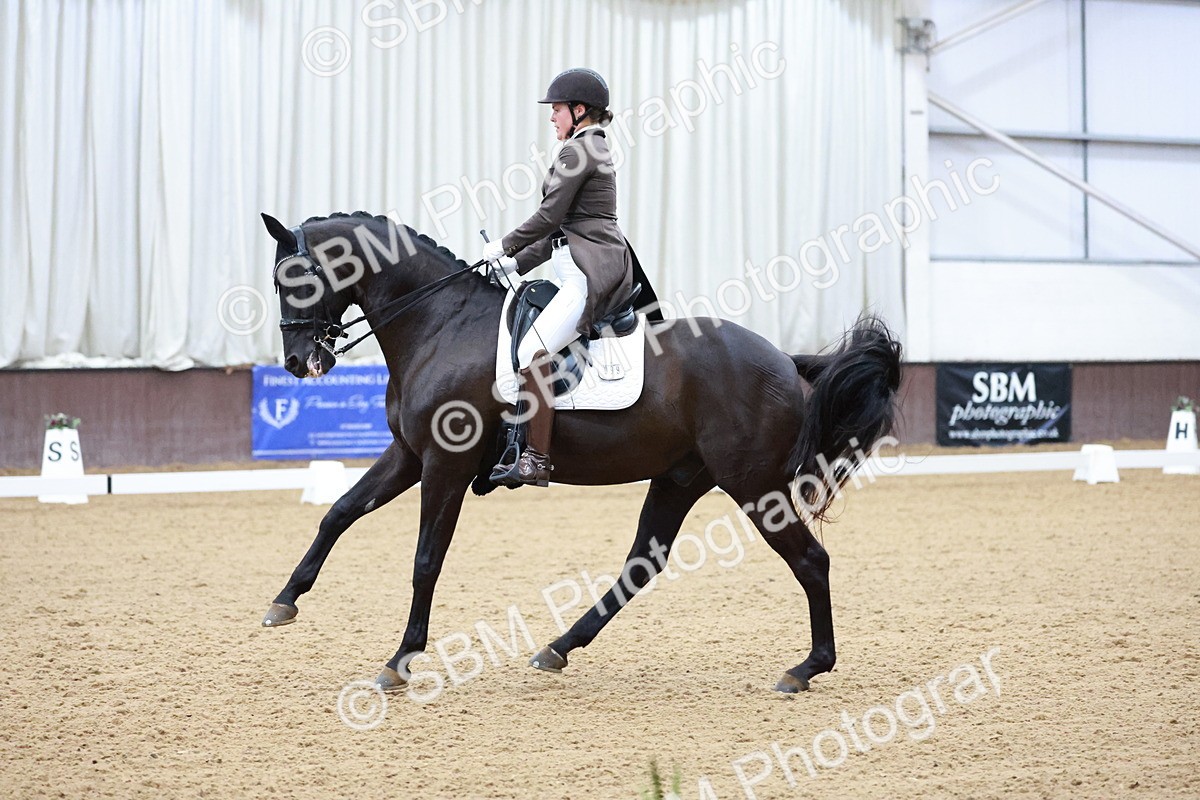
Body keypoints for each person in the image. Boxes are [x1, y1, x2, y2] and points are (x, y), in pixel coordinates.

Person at [482, 67, 634, 487]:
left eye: (557, 110)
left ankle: (536, 458)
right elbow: (560, 230)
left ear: (579, 110)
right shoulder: (590, 147)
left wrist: (504, 245)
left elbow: (548, 216)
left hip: (588, 275)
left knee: (533, 350)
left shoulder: (577, 150)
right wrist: (515, 264)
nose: (552, 117)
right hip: (582, 264)